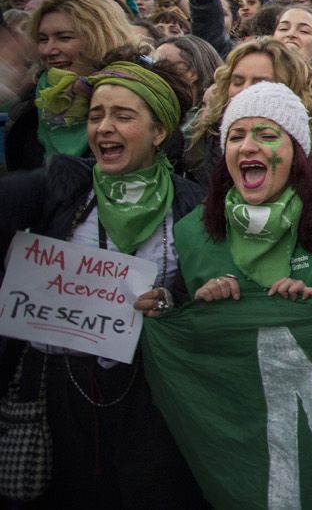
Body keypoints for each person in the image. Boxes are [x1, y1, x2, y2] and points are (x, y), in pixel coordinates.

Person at [0, 54, 204, 506]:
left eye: (123, 116)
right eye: (96, 116)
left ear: (158, 132)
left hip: (148, 395)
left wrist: (170, 301)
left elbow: (203, 295)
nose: (104, 128)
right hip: (56, 392)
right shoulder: (62, 186)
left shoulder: (192, 206)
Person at [176, 82, 312, 300]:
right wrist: (191, 304)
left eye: (267, 136)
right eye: (236, 137)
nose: (247, 147)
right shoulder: (194, 231)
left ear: (296, 152)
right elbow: (179, 314)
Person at [184, 37, 312, 185]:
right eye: (237, 81)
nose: (246, 90)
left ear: (292, 87)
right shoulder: (202, 140)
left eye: (260, 81)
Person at [7, 0, 139, 170]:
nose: (47, 50)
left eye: (64, 38)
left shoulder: (142, 105)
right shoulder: (27, 111)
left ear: (101, 38)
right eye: (42, 39)